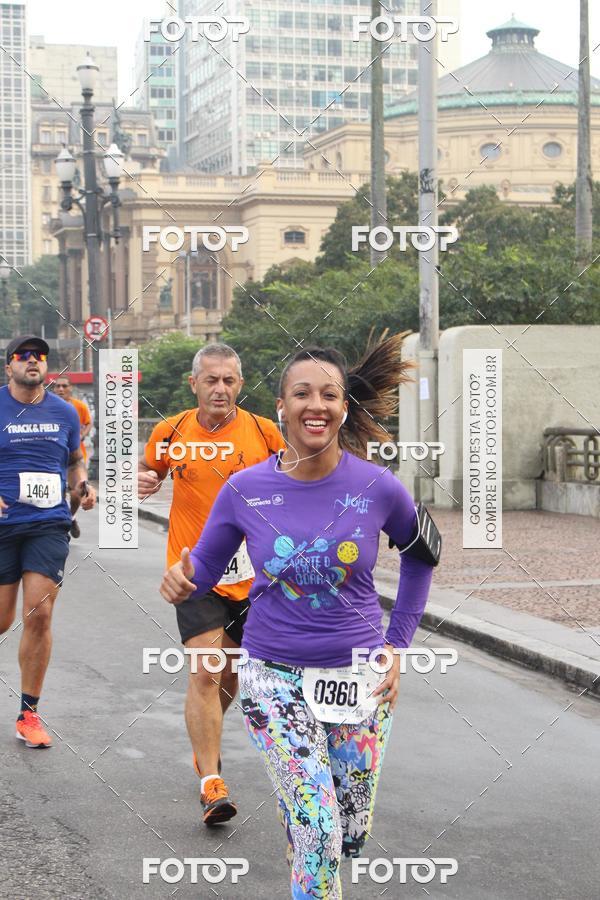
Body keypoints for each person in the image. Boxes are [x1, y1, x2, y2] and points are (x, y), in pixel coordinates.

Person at [160, 334, 441, 895]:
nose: (318, 404)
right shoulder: (247, 488)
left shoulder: (377, 486)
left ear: (343, 407)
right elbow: (206, 571)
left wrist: (397, 645)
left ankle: (310, 825)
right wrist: (181, 581)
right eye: (303, 393)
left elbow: (422, 556)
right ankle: (308, 834)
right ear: (281, 406)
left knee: (347, 831)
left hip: (359, 678)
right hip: (274, 677)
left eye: (330, 395)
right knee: (318, 826)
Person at [139, 343, 285, 825]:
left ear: (240, 385)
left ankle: (208, 747)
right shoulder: (171, 430)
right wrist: (144, 480)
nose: (220, 388)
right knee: (205, 671)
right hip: (195, 573)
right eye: (211, 380)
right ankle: (211, 781)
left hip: (255, 579)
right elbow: (150, 469)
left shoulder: (265, 433)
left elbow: (297, 483)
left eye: (229, 380)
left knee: (230, 677)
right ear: (194, 383)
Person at [0, 335, 96, 749]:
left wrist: (81, 486)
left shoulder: (65, 412)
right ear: (9, 367)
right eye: (23, 356)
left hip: (48, 522)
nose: (33, 361)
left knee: (39, 613)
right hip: (3, 525)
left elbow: (74, 460)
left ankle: (29, 713)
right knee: (2, 621)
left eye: (40, 356)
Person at [54, 375, 92, 538]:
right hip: (56, 458)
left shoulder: (79, 406)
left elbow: (88, 422)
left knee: (78, 493)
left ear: (71, 388)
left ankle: (71, 516)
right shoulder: (49, 407)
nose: (61, 389)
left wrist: (83, 433)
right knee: (59, 494)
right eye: (57, 386)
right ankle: (63, 523)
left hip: (76, 458)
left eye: (64, 386)